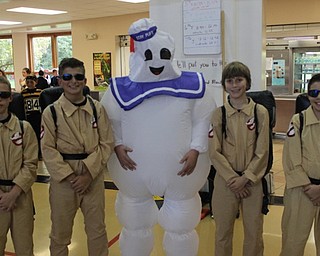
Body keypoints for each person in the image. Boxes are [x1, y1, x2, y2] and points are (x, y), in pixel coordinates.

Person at [100, 18, 215, 256]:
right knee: (134, 220)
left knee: (181, 224)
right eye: (150, 55)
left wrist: (196, 148)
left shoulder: (192, 85)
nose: (156, 62)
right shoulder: (119, 89)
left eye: (163, 54)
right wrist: (118, 144)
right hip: (132, 170)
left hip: (182, 170)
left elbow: (203, 118)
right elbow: (111, 121)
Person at [41, 57, 114, 256]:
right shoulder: (52, 113)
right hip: (64, 180)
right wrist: (71, 177)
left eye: (78, 76)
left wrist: (88, 174)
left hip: (93, 176)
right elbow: (47, 148)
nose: (74, 81)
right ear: (60, 80)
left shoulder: (97, 109)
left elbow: (106, 143)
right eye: (68, 76)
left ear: (85, 79)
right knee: (60, 233)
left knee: (97, 230)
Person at [209, 61, 269, 256]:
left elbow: (263, 152)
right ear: (224, 84)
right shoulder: (219, 114)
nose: (235, 85)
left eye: (239, 80)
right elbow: (214, 152)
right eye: (230, 81)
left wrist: (246, 178)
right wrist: (233, 179)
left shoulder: (260, 113)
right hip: (225, 183)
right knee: (222, 233)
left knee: (254, 233)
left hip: (253, 182)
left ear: (247, 82)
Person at [280, 73, 320, 256]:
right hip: (301, 190)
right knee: (292, 243)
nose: (318, 97)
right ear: (308, 95)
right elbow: (291, 159)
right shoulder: (298, 121)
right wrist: (309, 187)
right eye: (314, 92)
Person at [0, 76, 38, 256]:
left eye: (3, 94)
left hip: (21, 196)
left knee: (25, 249)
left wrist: (13, 194)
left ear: (10, 98)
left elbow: (30, 165)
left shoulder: (24, 129)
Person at [20, 73, 43, 160]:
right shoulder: (23, 93)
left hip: (38, 116)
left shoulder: (40, 92)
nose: (29, 84)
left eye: (31, 82)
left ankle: (39, 153)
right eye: (28, 82)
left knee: (38, 135)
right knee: (29, 135)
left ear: (35, 82)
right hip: (28, 116)